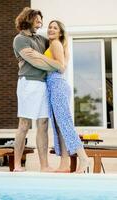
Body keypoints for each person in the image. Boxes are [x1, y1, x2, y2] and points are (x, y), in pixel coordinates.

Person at [27, 20, 89, 173]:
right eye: (50, 27)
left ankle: (83, 158)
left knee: (64, 124)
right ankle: (64, 164)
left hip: (57, 85)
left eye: (55, 28)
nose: (51, 29)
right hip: (53, 86)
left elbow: (61, 67)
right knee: (59, 126)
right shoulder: (55, 44)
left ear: (60, 32)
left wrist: (38, 56)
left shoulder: (55, 44)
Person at [13, 7, 57, 172]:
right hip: (28, 84)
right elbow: (35, 62)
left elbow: (57, 48)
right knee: (24, 125)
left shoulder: (41, 39)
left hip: (43, 84)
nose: (40, 24)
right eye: (37, 20)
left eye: (41, 21)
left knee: (43, 124)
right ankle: (17, 165)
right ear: (28, 19)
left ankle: (44, 165)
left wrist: (48, 59)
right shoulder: (19, 39)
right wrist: (56, 65)